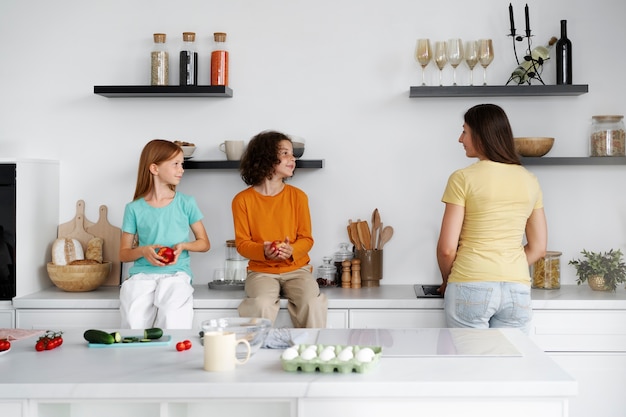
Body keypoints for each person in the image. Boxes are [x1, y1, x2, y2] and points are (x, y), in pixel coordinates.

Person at [436, 104, 547, 334]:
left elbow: (447, 249)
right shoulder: (529, 180)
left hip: (469, 283)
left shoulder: (462, 178)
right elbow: (538, 249)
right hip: (517, 290)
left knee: (472, 368)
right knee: (510, 368)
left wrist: (448, 281)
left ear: (481, 135)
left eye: (464, 131)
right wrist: (508, 266)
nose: (460, 139)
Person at [232, 130, 327, 328]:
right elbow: (242, 244)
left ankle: (311, 353)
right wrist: (263, 252)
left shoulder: (298, 196)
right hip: (260, 272)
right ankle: (255, 353)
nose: (292, 159)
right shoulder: (242, 200)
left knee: (311, 302)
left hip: (298, 270)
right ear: (265, 157)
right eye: (285, 153)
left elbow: (306, 239)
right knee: (261, 303)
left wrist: (292, 250)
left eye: (292, 154)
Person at [119, 139, 210, 329]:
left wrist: (183, 246)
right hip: (142, 275)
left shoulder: (186, 203)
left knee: (172, 316)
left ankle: (169, 357)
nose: (181, 169)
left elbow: (204, 243)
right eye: (175, 164)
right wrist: (144, 251)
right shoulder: (134, 208)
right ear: (154, 168)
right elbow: (123, 254)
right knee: (133, 318)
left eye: (182, 164)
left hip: (176, 274)